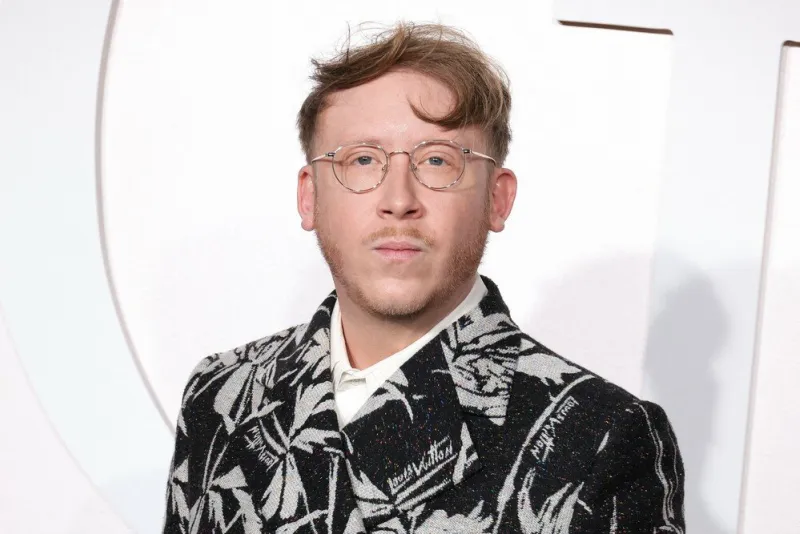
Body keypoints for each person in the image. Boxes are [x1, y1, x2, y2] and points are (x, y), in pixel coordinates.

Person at [161, 21, 685, 534]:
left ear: (497, 198)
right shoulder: (221, 394)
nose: (398, 201)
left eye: (437, 161)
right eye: (361, 160)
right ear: (309, 196)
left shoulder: (600, 439)